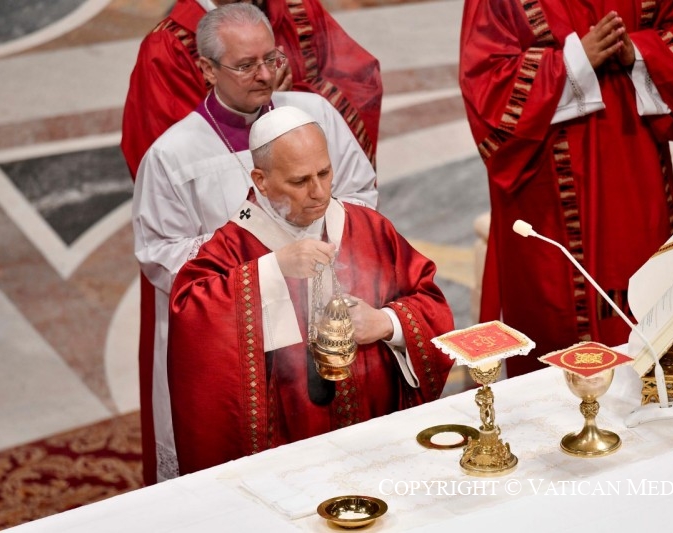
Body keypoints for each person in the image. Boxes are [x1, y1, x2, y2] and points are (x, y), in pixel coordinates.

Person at [132, 3, 378, 483]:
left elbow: (361, 195)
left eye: (271, 59)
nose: (265, 75)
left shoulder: (314, 115)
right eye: (245, 65)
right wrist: (264, 264)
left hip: (320, 312)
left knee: (331, 461)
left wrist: (314, 228)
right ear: (207, 69)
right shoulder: (173, 156)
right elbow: (160, 254)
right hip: (232, 338)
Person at [166, 106, 455, 474]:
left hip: (377, 435)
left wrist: (385, 323)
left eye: (324, 173)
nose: (319, 193)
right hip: (290, 454)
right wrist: (270, 271)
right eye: (300, 181)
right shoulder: (232, 248)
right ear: (261, 180)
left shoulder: (367, 227)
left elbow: (431, 303)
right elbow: (191, 319)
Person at [459, 1, 673, 376]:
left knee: (647, 315)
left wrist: (639, 52)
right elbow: (485, 78)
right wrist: (574, 62)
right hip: (548, 186)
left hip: (634, 166)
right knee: (557, 349)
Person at [121, 0, 381, 179]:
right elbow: (173, 163)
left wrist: (290, 102)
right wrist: (253, 110)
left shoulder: (297, 9)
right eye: (245, 65)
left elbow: (360, 84)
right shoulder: (167, 50)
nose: (265, 74)